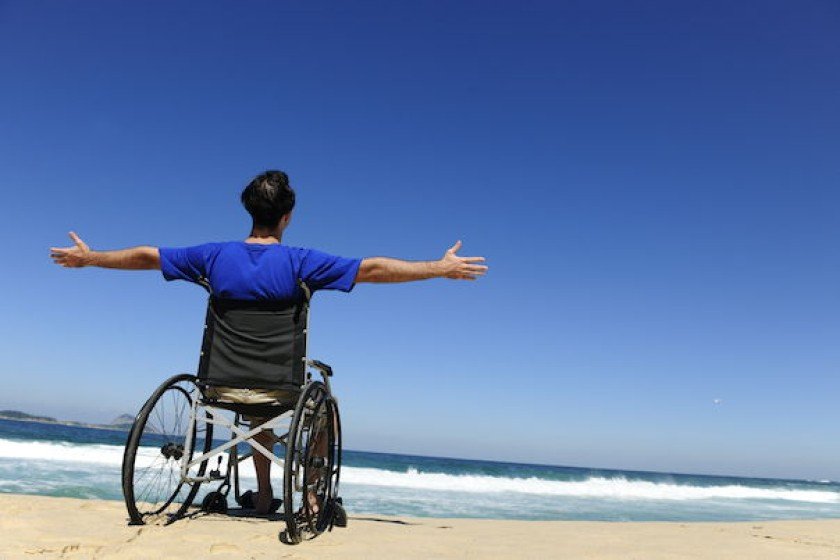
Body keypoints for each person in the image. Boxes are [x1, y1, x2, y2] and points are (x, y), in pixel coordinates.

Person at [50, 170, 488, 515]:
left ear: (250, 212)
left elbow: (149, 256)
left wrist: (90, 259)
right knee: (318, 414)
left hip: (217, 385)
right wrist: (438, 267)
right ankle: (312, 499)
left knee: (253, 415)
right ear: (287, 216)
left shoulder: (214, 256)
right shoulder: (301, 263)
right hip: (281, 386)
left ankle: (262, 497)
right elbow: (372, 269)